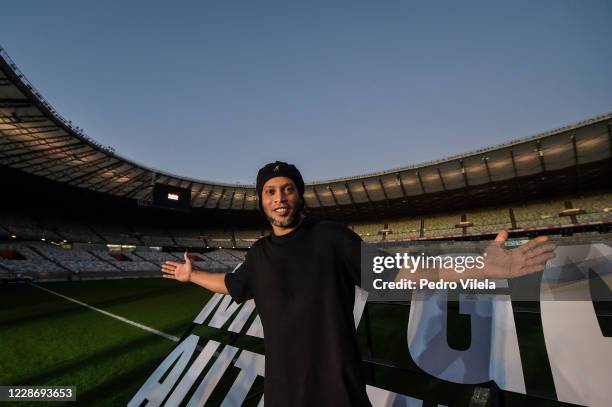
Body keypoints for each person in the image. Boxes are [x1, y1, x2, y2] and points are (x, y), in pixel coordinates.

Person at [161, 161, 556, 407]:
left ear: (300, 196)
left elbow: (401, 270)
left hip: (339, 393)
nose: (279, 197)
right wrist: (192, 274)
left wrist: (479, 267)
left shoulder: (332, 237)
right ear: (261, 202)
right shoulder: (259, 256)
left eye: (287, 189)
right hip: (281, 397)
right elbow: (231, 284)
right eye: (270, 191)